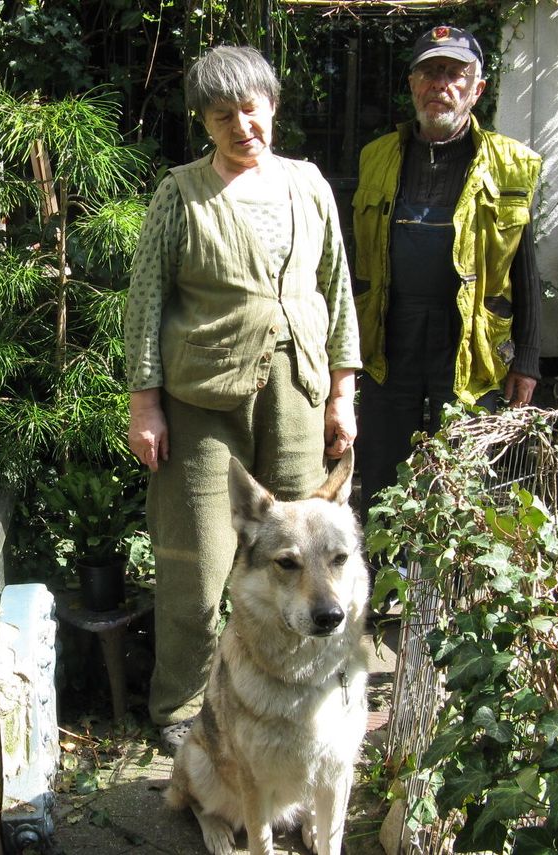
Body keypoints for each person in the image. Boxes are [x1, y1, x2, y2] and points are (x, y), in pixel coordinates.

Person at [124, 45, 361, 752]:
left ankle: (298, 692)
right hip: (202, 402)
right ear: (204, 121)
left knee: (302, 557)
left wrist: (342, 392)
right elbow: (144, 302)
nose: (240, 127)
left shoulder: (309, 185)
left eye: (250, 110)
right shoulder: (180, 193)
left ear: (273, 107)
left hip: (298, 393)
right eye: (222, 115)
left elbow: (338, 289)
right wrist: (145, 405)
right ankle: (182, 707)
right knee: (197, 567)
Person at [352, 25, 543, 529]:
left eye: (455, 74)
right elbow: (355, 261)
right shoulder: (376, 156)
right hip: (389, 336)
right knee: (381, 468)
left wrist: (527, 359)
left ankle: (452, 575)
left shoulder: (511, 164)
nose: (441, 84)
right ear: (412, 84)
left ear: (477, 89)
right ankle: (382, 574)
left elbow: (525, 265)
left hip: (470, 339)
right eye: (430, 72)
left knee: (460, 475)